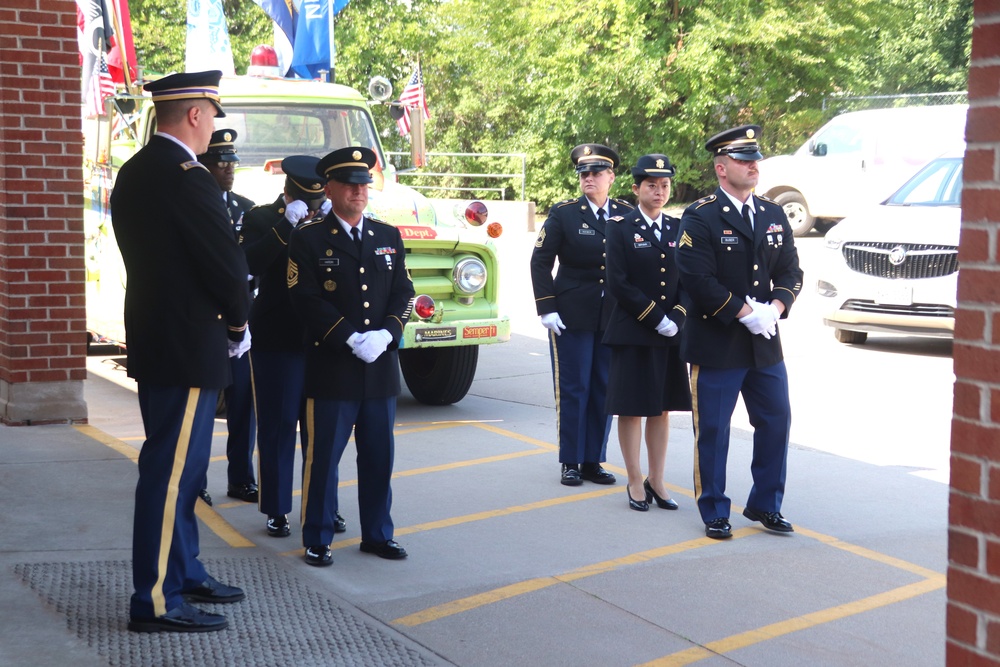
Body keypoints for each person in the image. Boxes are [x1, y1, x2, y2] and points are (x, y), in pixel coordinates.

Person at [110, 70, 252, 633]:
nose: (213, 125)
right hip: (190, 344)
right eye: (212, 115)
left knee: (183, 472)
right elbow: (226, 267)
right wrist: (240, 321)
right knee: (171, 475)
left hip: (158, 337)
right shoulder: (189, 178)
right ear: (195, 115)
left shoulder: (137, 170)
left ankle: (186, 569)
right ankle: (156, 600)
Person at [675, 125, 804, 540]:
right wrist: (743, 311)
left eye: (755, 159)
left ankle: (766, 503)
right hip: (718, 340)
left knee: (777, 419)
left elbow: (790, 270)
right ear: (721, 167)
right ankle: (714, 507)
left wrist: (776, 307)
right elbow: (697, 278)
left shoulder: (771, 212)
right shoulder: (701, 214)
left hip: (764, 341)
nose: (753, 166)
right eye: (743, 160)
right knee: (713, 428)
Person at [287, 147, 415, 566]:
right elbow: (302, 298)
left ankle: (378, 534)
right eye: (351, 184)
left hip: (378, 367)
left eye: (364, 184)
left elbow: (404, 293)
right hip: (332, 368)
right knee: (322, 459)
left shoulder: (387, 236)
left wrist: (387, 333)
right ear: (330, 188)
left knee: (379, 458)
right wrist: (347, 336)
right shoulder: (308, 238)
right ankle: (318, 536)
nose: (360, 192)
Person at [240, 155, 345, 538]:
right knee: (279, 425)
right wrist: (285, 226)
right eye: (309, 201)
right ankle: (277, 507)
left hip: (322, 339)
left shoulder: (331, 221)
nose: (314, 207)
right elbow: (248, 264)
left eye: (320, 201)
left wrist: (331, 224)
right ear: (288, 193)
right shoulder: (261, 219)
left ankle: (323, 507)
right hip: (277, 337)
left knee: (323, 434)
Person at [530, 143, 633, 487]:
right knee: (575, 387)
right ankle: (570, 460)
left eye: (597, 172)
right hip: (571, 314)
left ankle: (593, 459)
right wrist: (547, 307)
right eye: (584, 173)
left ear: (611, 177)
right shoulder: (565, 213)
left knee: (604, 387)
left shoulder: (624, 213)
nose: (589, 178)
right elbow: (541, 261)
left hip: (611, 316)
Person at [603, 154, 691, 512]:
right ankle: (635, 479)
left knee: (661, 409)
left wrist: (679, 317)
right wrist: (656, 317)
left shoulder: (677, 228)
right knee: (632, 409)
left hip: (670, 334)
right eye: (651, 185)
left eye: (665, 185)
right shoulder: (620, 227)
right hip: (634, 331)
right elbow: (618, 283)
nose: (659, 192)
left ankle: (658, 478)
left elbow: (688, 277)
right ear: (636, 188)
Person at [196, 128, 258, 505]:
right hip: (206, 317)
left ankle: (241, 478)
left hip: (241, 317)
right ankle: (196, 478)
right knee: (203, 406)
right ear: (205, 164)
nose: (228, 169)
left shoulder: (246, 208)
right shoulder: (195, 204)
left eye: (232, 162)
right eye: (221, 162)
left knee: (243, 404)